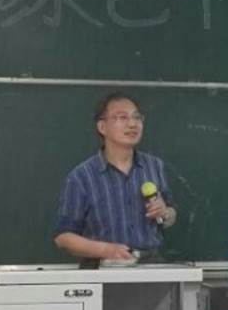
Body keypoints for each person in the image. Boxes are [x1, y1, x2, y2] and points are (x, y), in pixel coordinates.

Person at [54, 92, 176, 262]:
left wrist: (166, 213)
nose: (132, 124)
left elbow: (170, 215)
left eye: (137, 117)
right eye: (122, 117)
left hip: (151, 264)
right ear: (102, 127)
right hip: (102, 266)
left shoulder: (154, 166)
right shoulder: (81, 177)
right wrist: (106, 250)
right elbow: (63, 237)